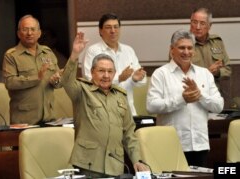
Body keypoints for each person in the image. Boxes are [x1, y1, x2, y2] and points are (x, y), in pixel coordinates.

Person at [61, 32, 149, 178]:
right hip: (88, 164)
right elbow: (66, 81)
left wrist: (137, 159)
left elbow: (128, 133)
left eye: (110, 71)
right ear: (92, 72)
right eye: (101, 71)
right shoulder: (82, 91)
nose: (106, 75)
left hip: (115, 164)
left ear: (115, 74)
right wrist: (74, 55)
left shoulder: (120, 96)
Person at [146, 29, 224, 167]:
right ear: (172, 50)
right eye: (182, 47)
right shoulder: (161, 74)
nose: (186, 52)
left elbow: (218, 106)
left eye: (190, 48)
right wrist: (182, 100)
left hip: (200, 145)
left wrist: (200, 96)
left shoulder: (204, 73)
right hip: (171, 144)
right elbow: (151, 106)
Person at [82, 13, 147, 116]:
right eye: (108, 27)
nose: (113, 31)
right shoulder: (93, 51)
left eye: (116, 27)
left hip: (128, 109)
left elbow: (142, 82)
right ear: (100, 30)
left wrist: (135, 78)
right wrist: (119, 78)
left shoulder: (128, 50)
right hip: (103, 111)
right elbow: (90, 80)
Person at [2, 15, 62, 125]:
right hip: (24, 120)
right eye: (25, 29)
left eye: (33, 29)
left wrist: (57, 80)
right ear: (19, 34)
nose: (29, 33)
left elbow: (58, 83)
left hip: (49, 119)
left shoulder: (47, 52)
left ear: (39, 33)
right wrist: (36, 78)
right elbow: (10, 83)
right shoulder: (11, 55)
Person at [190, 7, 231, 86]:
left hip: (214, 94)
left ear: (209, 26)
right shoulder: (181, 44)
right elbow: (176, 76)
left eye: (202, 23)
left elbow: (228, 71)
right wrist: (207, 73)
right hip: (193, 94)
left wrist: (218, 72)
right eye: (194, 22)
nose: (198, 27)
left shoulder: (217, 42)